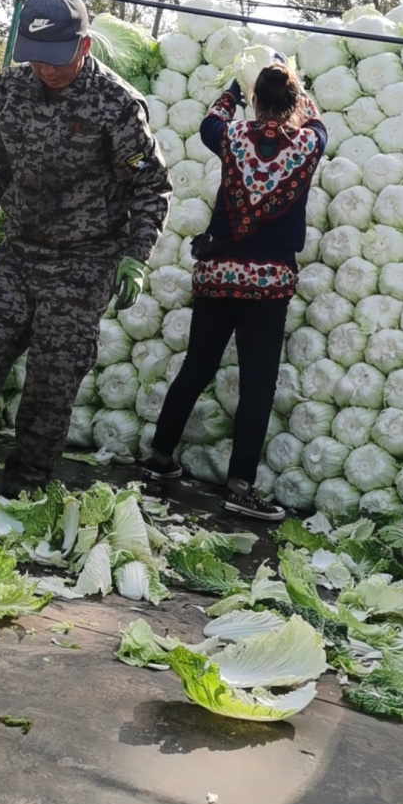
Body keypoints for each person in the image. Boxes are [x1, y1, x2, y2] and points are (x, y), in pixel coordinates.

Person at [0, 0, 171, 496]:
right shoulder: (9, 91)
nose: (46, 70)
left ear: (84, 46)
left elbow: (151, 187)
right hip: (20, 251)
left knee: (53, 375)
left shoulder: (116, 105)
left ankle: (26, 483)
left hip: (84, 259)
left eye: (56, 60)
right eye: (36, 59)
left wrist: (136, 258)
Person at [143, 58, 327, 521]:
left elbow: (210, 120)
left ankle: (159, 460)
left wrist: (233, 87)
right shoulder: (307, 144)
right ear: (293, 104)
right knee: (257, 385)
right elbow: (319, 123)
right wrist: (299, 90)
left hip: (218, 274)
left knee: (197, 368)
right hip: (268, 285)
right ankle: (240, 487)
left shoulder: (232, 138)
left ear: (256, 100)